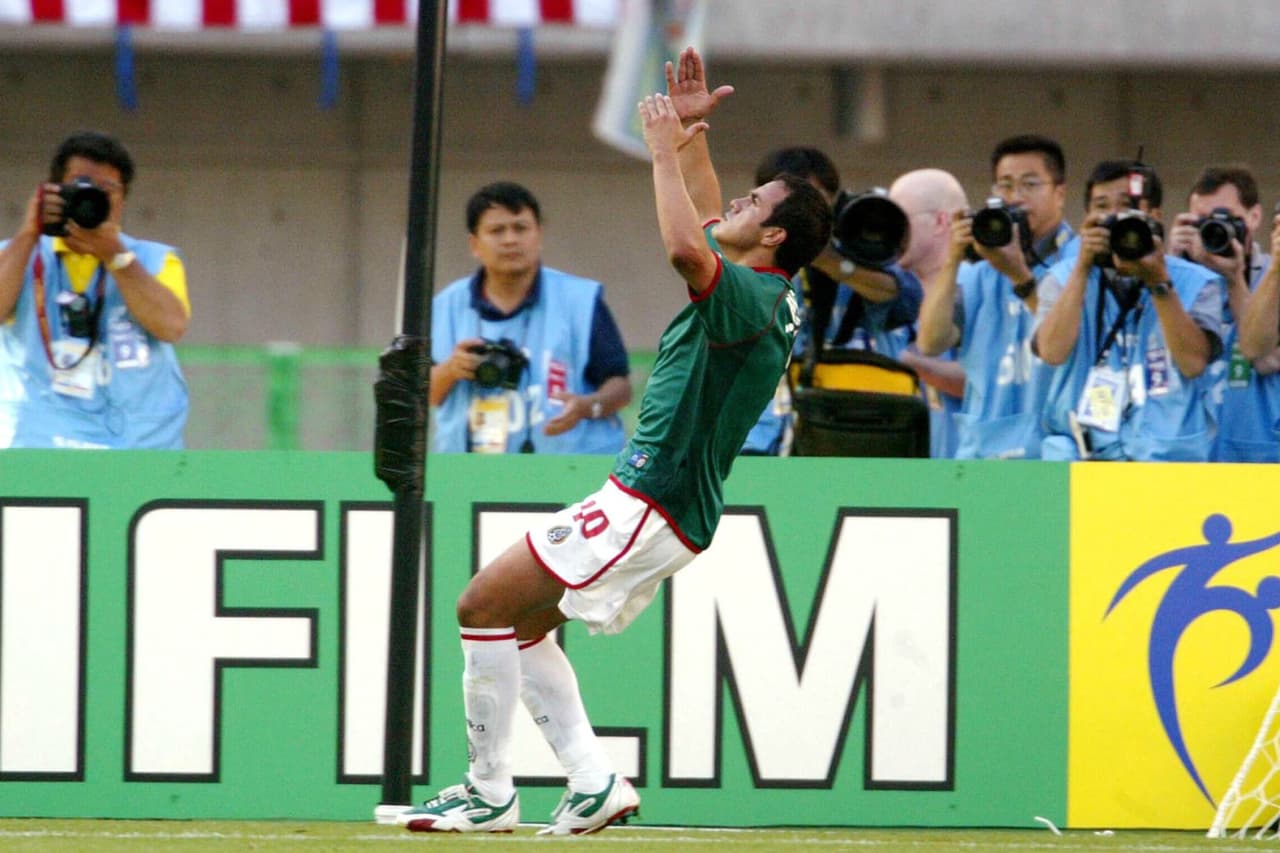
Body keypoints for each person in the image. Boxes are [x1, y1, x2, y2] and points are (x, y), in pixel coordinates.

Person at [397, 47, 831, 835]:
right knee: (521, 625)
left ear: (772, 233)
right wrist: (692, 138)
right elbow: (706, 226)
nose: (736, 196)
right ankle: (594, 781)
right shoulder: (770, 289)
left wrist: (662, 149)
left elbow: (685, 246)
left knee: (479, 604)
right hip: (660, 504)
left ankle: (488, 790)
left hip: (648, 498)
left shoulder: (749, 296)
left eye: (755, 197)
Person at [0, 131, 191, 449]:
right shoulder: (16, 254)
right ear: (54, 190)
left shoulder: (154, 259)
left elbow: (171, 326)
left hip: (137, 444)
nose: (91, 197)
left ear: (123, 199)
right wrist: (29, 234)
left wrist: (116, 256)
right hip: (40, 442)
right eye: (80, 185)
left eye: (106, 190)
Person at [1034, 159, 1224, 461]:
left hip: (1166, 464)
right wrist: (1083, 267)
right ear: (1087, 218)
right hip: (1082, 461)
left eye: (1125, 205)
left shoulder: (1198, 282)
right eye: (1101, 206)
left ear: (1154, 216)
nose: (1113, 216)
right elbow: (1052, 352)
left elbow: (1192, 363)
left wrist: (1158, 281)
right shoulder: (1060, 278)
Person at [740, 146, 921, 456]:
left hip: (858, 425)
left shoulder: (857, 246)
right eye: (790, 200)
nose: (803, 211)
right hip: (766, 434)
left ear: (834, 200)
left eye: (815, 198)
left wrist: (833, 262)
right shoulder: (748, 259)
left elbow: (903, 296)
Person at [430, 181, 632, 454]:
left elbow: (620, 386)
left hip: (569, 478)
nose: (510, 239)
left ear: (539, 234)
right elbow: (421, 395)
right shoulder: (444, 307)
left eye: (520, 228)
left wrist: (587, 406)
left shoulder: (580, 300)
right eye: (496, 230)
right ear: (474, 244)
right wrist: (451, 369)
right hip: (468, 481)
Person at [916, 134, 1074, 459]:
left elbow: (1068, 344)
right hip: (983, 455)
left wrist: (1018, 273)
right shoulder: (978, 273)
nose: (1016, 197)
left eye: (1030, 185)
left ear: (1060, 193)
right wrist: (953, 258)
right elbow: (930, 342)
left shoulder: (1081, 263)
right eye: (1004, 185)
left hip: (1055, 456)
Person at [1167, 165, 1279, 462]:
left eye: (1227, 219)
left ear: (1254, 217)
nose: (1214, 230)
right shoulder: (1175, 281)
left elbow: (1265, 357)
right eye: (1202, 221)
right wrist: (1171, 268)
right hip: (1191, 460)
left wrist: (1234, 279)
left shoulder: (1274, 277)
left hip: (1258, 459)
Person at [887, 168, 970, 458]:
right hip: (909, 476)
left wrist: (914, 365)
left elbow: (988, 380)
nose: (890, 230)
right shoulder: (890, 293)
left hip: (969, 470)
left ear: (940, 221)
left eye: (899, 219)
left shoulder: (977, 285)